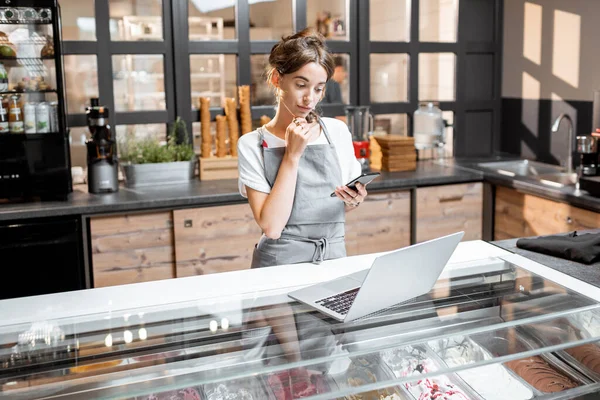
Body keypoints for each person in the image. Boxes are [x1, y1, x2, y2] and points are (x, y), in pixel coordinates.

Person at [237, 28, 367, 269]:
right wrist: (292, 156)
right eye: (301, 85)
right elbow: (272, 227)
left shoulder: (337, 132)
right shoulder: (252, 144)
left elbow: (333, 212)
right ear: (277, 79)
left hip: (333, 259)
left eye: (318, 89)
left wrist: (353, 200)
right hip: (278, 266)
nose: (310, 99)